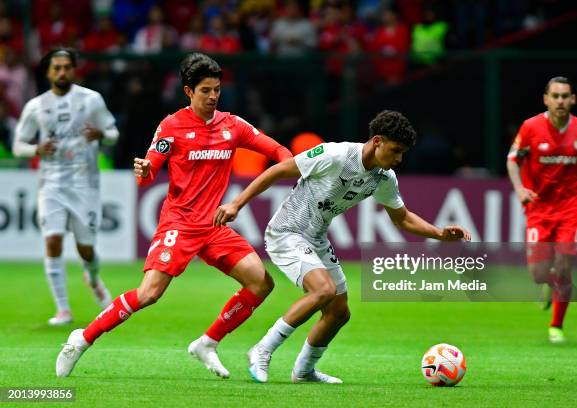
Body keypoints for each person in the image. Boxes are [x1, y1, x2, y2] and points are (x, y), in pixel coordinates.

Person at [55, 52, 292, 379]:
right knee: (149, 293)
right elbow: (149, 171)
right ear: (188, 92)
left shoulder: (233, 126)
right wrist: (145, 169)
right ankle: (81, 339)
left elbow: (279, 152)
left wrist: (293, 166)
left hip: (214, 226)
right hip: (179, 224)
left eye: (217, 90)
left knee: (261, 283)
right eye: (205, 90)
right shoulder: (172, 126)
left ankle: (207, 343)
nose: (212, 97)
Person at [214, 110, 471, 383]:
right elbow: (277, 171)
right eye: (395, 150)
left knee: (339, 312)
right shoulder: (335, 155)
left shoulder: (384, 177)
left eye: (403, 153)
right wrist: (236, 204)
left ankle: (304, 371)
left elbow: (403, 218)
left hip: (317, 239)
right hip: (287, 232)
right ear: (377, 141)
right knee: (323, 290)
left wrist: (440, 234)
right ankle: (262, 350)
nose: (398, 159)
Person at [13, 48, 117, 325]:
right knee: (53, 240)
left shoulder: (91, 100)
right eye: (56, 68)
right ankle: (63, 309)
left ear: (74, 70)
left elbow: (113, 134)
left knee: (86, 249)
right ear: (48, 72)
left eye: (66, 67)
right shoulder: (36, 106)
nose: (62, 72)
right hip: (52, 184)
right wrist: (36, 148)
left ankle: (93, 278)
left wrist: (101, 134)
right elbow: (17, 146)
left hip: (86, 184)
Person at [507, 76, 577, 344]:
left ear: (572, 99)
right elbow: (512, 160)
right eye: (555, 96)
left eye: (565, 96)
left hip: (570, 207)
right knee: (538, 274)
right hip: (538, 207)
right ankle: (549, 284)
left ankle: (556, 326)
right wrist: (519, 189)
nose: (560, 101)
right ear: (546, 99)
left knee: (563, 266)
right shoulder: (530, 127)